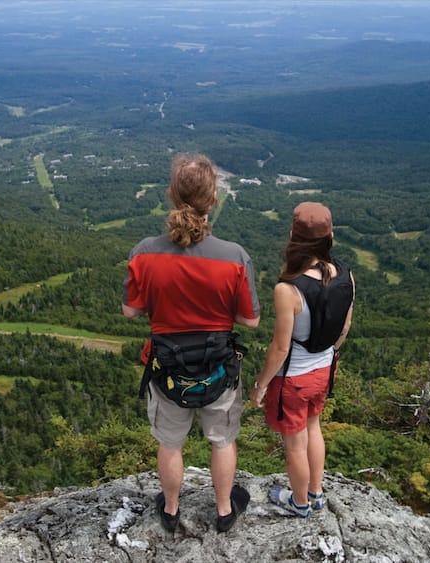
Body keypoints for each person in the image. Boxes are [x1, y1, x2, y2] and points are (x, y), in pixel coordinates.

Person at [122, 153, 260, 533]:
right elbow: (250, 319)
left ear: (171, 195)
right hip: (218, 367)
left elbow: (131, 312)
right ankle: (223, 510)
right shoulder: (234, 257)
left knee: (170, 442)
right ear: (212, 199)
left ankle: (169, 509)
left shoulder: (144, 252)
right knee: (221, 440)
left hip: (167, 368)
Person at [250, 201, 354, 518]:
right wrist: (328, 353)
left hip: (293, 379)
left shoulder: (288, 288)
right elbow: (345, 327)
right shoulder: (347, 276)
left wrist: (260, 385)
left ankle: (299, 503)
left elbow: (280, 348)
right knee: (314, 427)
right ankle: (316, 493)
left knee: (295, 444)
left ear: (293, 235)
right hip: (324, 370)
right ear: (330, 235)